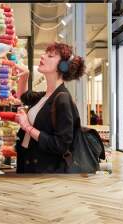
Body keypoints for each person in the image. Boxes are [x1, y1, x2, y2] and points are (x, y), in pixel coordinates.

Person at [14, 42, 85, 173]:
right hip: (27, 162)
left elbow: (60, 145)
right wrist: (25, 75)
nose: (43, 56)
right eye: (45, 53)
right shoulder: (45, 96)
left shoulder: (62, 99)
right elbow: (23, 96)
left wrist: (27, 126)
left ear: (62, 66)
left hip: (44, 170)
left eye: (50, 56)